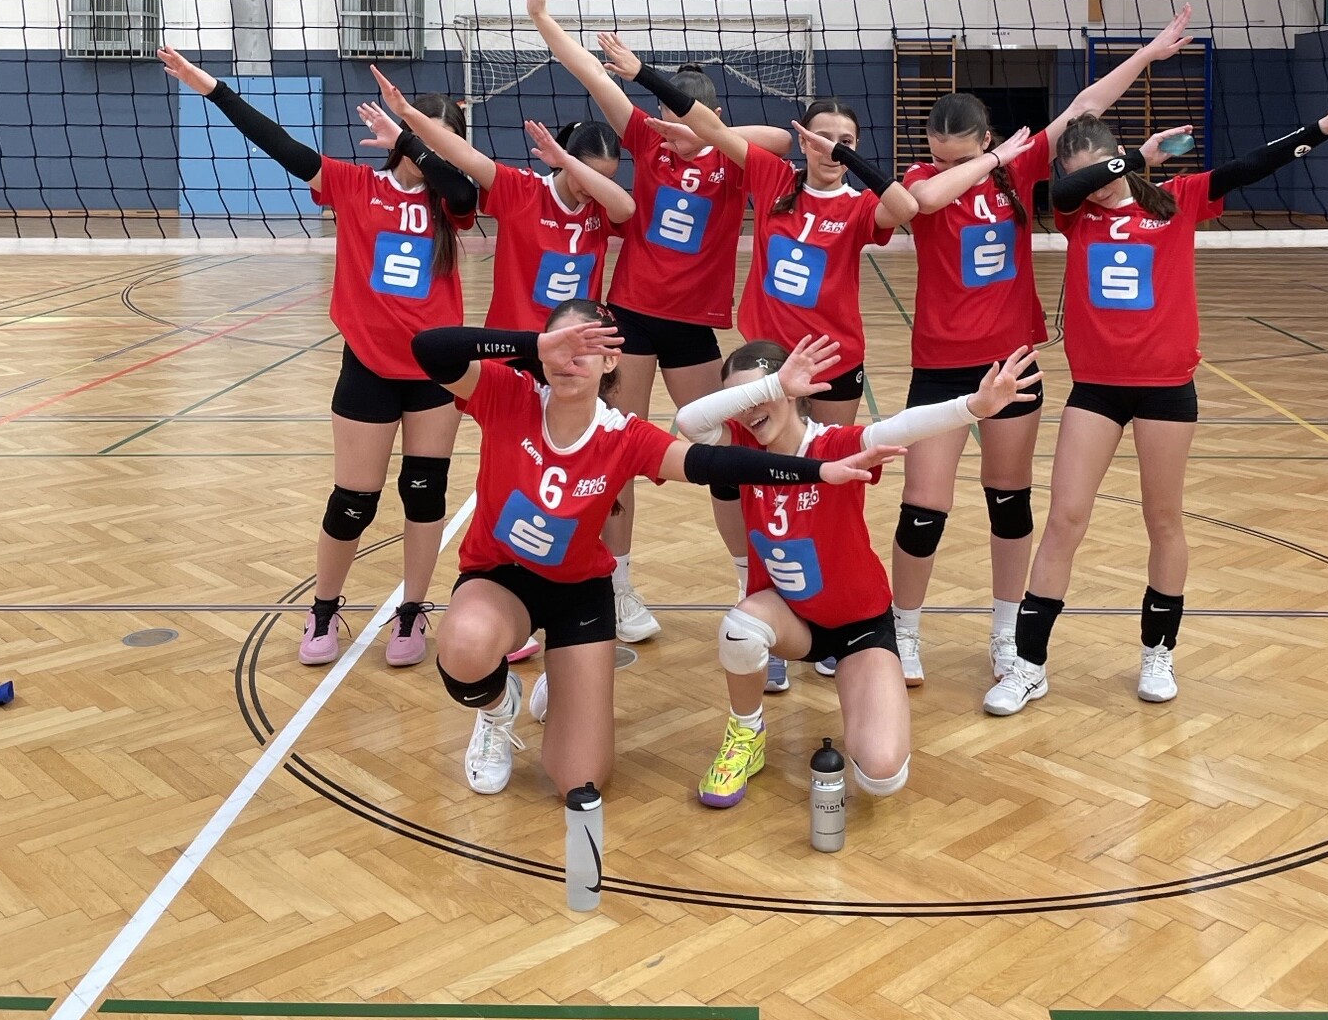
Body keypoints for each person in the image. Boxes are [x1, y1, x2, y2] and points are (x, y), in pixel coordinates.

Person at [984, 71, 1328, 717]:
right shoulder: (1076, 213)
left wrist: (1321, 130)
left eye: (1105, 170)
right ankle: (1029, 665)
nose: (1098, 184)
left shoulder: (1176, 200)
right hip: (1096, 390)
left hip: (1167, 389)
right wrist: (1134, 158)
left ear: (1118, 156)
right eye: (1087, 175)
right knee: (1065, 520)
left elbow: (1250, 166)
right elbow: (1065, 188)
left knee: (1163, 520)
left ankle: (1157, 653)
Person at [409, 304, 895, 798]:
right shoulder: (509, 393)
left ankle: (566, 677)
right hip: (501, 578)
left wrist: (817, 471)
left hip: (578, 594)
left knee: (580, 780)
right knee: (466, 644)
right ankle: (497, 711)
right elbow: (429, 348)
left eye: (586, 348)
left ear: (611, 361)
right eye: (560, 346)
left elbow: (714, 463)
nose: (569, 359)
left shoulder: (624, 435)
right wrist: (532, 345)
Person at [895, 8, 1197, 693]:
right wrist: (988, 162)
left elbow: (1086, 106)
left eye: (961, 155)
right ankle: (903, 630)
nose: (946, 166)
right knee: (924, 507)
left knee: (1009, 501)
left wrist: (1145, 55)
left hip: (1011, 361)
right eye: (939, 155)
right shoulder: (925, 178)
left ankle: (1007, 633)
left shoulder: (1021, 171)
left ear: (986, 138)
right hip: (940, 363)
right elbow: (923, 202)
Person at [158, 46, 478, 668]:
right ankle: (324, 609)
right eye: (426, 141)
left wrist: (413, 141)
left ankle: (411, 612)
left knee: (425, 494)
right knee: (353, 502)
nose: (433, 155)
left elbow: (462, 187)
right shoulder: (355, 186)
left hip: (436, 373)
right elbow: (280, 144)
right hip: (369, 368)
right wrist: (211, 88)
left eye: (444, 144)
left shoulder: (451, 204)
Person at [526, 0, 791, 651]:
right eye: (664, 117)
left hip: (695, 327)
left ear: (711, 118)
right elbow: (593, 77)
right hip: (634, 317)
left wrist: (703, 132)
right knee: (615, 444)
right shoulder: (646, 141)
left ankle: (753, 584)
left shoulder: (734, 159)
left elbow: (784, 140)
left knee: (725, 448)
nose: (667, 127)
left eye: (681, 118)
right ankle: (616, 586)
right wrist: (544, 21)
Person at [675, 334, 1040, 810]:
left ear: (794, 392)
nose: (749, 410)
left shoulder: (833, 445)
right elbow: (689, 421)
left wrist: (974, 406)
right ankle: (746, 733)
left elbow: (902, 426)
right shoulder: (741, 450)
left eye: (761, 393)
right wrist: (771, 387)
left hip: (857, 627)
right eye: (740, 400)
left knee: (881, 775)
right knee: (740, 629)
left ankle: (861, 692)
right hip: (790, 620)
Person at [635, 78, 916, 692]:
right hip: (765, 365)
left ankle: (834, 615)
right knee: (743, 483)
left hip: (832, 364)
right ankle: (760, 600)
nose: (833, 148)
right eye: (823, 138)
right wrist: (643, 75)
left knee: (833, 485)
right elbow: (712, 129)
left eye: (846, 141)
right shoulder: (774, 179)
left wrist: (848, 160)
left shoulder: (860, 206)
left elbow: (906, 208)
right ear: (803, 139)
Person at [369, 65, 633, 327]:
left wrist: (566, 161)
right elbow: (467, 155)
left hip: (577, 341)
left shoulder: (602, 206)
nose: (592, 187)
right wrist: (405, 113)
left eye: (603, 180)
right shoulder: (522, 190)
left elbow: (626, 208)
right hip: (514, 342)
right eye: (587, 174)